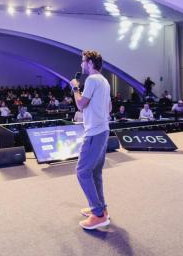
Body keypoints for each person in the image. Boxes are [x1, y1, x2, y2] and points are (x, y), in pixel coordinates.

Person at [70, 50, 111, 230]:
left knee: (82, 171)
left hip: (94, 133)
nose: (81, 65)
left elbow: (80, 104)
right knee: (95, 173)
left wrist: (75, 88)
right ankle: (101, 209)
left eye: (83, 61)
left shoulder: (92, 80)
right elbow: (109, 106)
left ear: (90, 63)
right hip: (103, 130)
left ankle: (98, 214)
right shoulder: (104, 81)